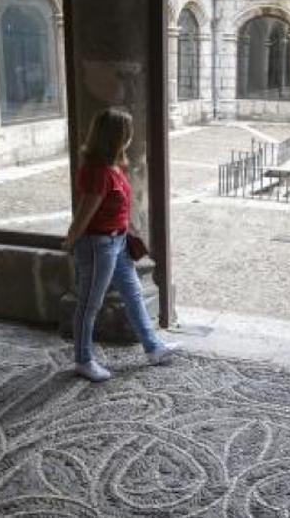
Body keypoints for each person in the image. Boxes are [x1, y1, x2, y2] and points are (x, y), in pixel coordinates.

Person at [62, 108, 175, 382]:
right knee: (90, 304)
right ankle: (83, 360)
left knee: (133, 293)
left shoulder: (112, 165)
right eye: (127, 132)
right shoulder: (98, 171)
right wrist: (71, 240)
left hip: (117, 241)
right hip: (98, 245)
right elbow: (85, 213)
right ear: (115, 136)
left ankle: (153, 347)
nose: (130, 137)